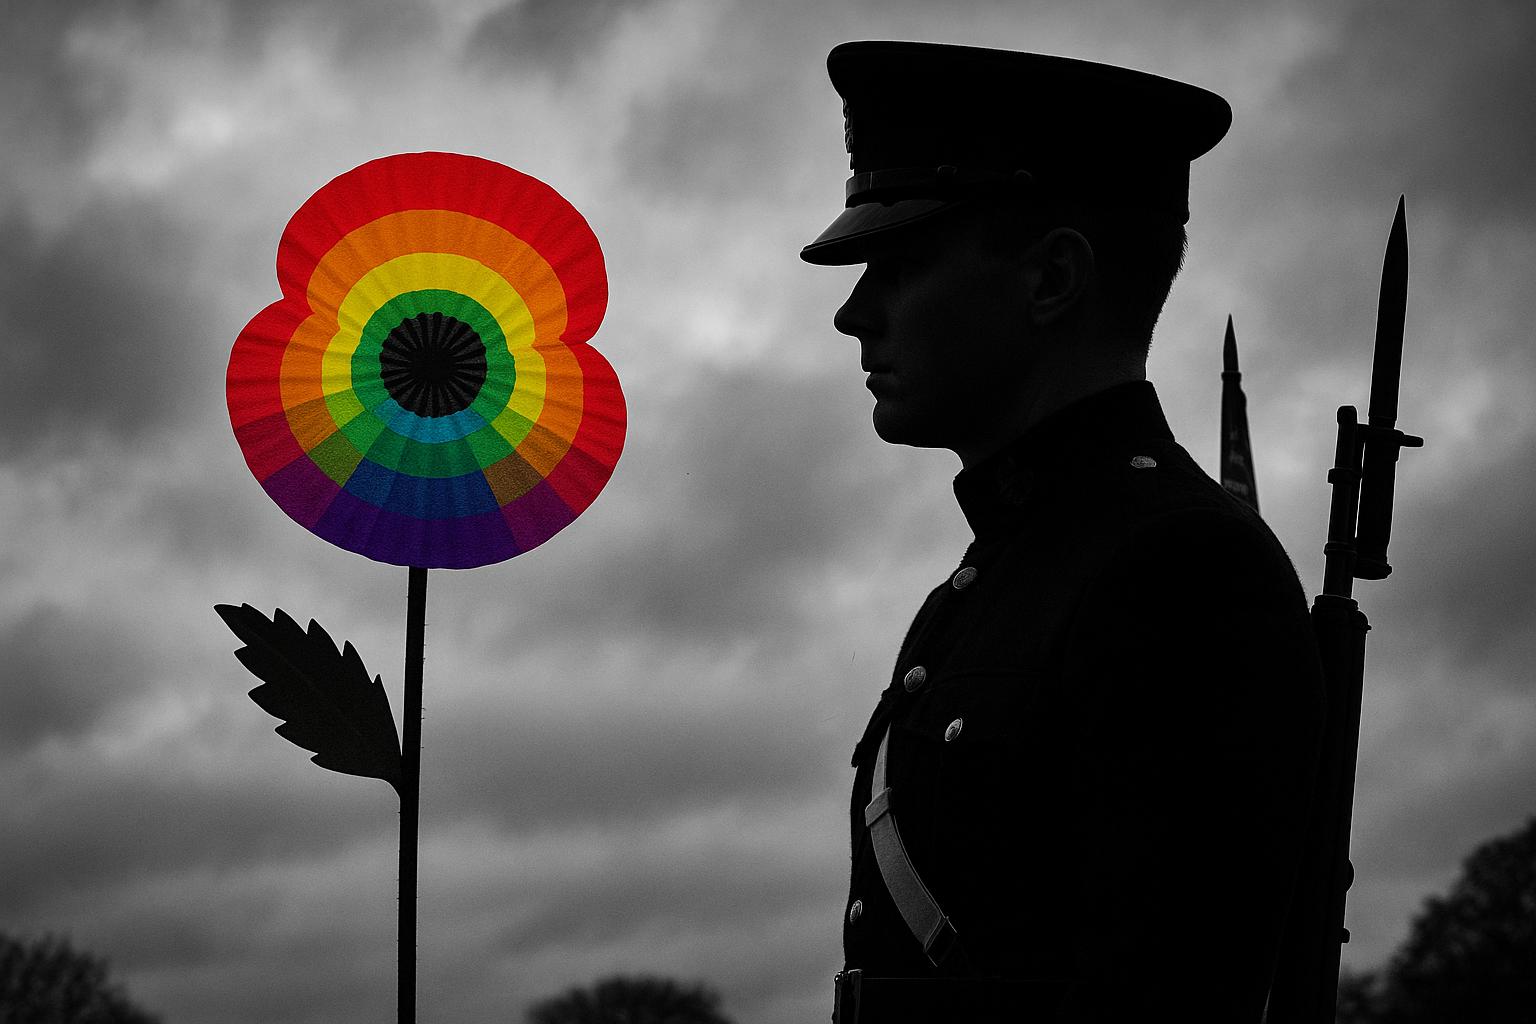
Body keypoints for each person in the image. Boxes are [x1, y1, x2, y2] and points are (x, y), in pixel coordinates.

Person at [801, 41, 1326, 1022]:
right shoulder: (1007, 571)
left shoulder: (1180, 572)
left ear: (1050, 279)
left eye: (900, 263)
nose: (853, 313)